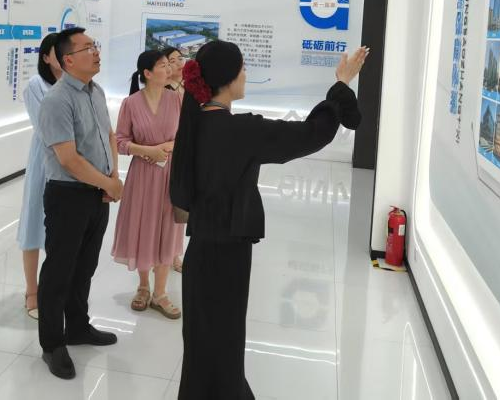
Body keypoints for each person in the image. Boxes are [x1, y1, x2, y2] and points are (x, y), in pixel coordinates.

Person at [170, 40, 367, 399]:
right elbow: (311, 134)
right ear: (229, 78)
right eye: (243, 68)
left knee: (202, 344)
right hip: (227, 254)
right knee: (224, 343)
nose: (246, 75)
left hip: (200, 251)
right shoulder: (241, 130)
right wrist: (341, 84)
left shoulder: (195, 124)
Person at [37, 27, 125, 380]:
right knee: (59, 271)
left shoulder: (96, 91)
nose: (96, 52)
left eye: (95, 46)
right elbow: (68, 159)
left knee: (84, 266)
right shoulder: (57, 100)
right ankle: (52, 345)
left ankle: (77, 326)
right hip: (68, 195)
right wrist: (109, 183)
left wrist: (113, 176)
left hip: (97, 192)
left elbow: (109, 136)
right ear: (68, 60)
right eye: (88, 48)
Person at [110, 50, 184, 319]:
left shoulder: (176, 99)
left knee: (166, 228)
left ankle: (160, 293)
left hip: (170, 173)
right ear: (148, 74)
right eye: (163, 65)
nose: (169, 69)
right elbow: (120, 142)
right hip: (142, 174)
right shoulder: (131, 103)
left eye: (168, 64)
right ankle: (143, 286)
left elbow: (187, 136)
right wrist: (146, 150)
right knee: (143, 227)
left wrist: (165, 147)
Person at [17, 32, 61, 320]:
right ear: (46, 57)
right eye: (59, 52)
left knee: (60, 232)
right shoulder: (36, 84)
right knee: (34, 224)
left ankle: (54, 290)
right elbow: (45, 127)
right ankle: (32, 292)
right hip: (45, 161)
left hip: (72, 165)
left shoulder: (78, 84)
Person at [162, 45, 186, 273]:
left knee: (178, 206)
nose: (179, 63)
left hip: (184, 152)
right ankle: (160, 253)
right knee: (161, 207)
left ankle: (174, 253)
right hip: (165, 154)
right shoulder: (161, 90)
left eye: (180, 58)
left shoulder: (189, 88)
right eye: (172, 60)